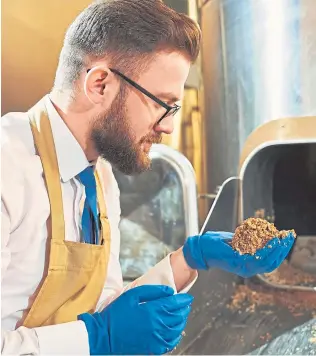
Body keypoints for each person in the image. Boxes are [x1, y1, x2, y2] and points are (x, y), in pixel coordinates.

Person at [1, 0, 295, 355]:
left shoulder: (101, 178)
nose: (169, 126)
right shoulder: (9, 167)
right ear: (99, 85)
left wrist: (190, 259)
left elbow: (102, 311)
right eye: (162, 103)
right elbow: (98, 332)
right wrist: (96, 340)